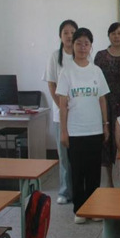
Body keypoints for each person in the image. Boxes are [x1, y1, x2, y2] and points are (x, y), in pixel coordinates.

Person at [56, 28, 110, 224]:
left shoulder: (96, 71)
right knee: (77, 172)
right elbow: (63, 104)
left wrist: (105, 125)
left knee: (94, 172)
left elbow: (102, 100)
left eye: (86, 43)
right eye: (78, 43)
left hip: (94, 129)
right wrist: (64, 131)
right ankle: (79, 209)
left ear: (91, 47)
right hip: (75, 131)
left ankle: (94, 208)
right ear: (73, 46)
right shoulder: (67, 71)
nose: (82, 47)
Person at [94, 22, 120, 188]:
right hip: (105, 104)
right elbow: (95, 81)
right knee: (107, 141)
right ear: (108, 36)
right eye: (113, 33)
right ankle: (109, 182)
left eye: (119, 33)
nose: (116, 36)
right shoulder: (100, 56)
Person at [42, 19, 77, 205]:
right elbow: (51, 83)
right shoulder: (55, 56)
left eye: (73, 32)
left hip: (79, 115)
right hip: (60, 115)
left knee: (77, 155)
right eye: (66, 32)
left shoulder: (83, 55)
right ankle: (64, 191)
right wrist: (62, 107)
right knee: (64, 156)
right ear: (60, 36)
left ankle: (77, 190)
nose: (70, 36)